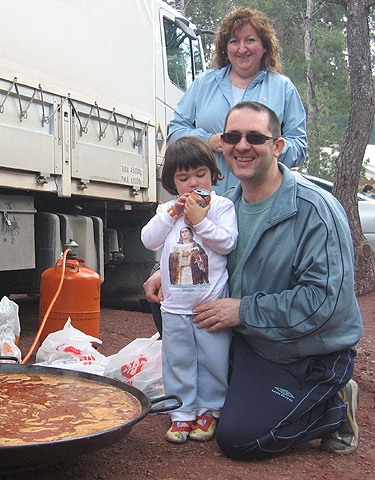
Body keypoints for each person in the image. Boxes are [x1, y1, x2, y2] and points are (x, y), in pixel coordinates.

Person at [145, 101, 363, 459]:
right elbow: (203, 253)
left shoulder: (314, 210)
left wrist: (243, 310)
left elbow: (326, 303)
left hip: (304, 350)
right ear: (223, 146)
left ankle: (332, 406)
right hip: (252, 339)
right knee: (173, 305)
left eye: (255, 137)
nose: (242, 145)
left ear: (277, 147)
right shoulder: (224, 203)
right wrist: (160, 274)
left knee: (241, 438)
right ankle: (206, 401)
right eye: (233, 137)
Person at [141, 136, 238, 444]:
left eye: (200, 175)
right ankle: (182, 413)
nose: (193, 183)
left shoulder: (222, 206)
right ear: (172, 181)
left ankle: (210, 410)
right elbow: (149, 240)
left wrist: (200, 221)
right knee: (178, 360)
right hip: (174, 307)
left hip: (210, 306)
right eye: (184, 178)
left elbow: (227, 242)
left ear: (213, 174)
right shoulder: (168, 211)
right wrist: (172, 214)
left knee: (213, 361)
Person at [167, 7, 307, 194]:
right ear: (225, 48)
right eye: (234, 41)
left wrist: (263, 146)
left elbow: (299, 146)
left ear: (265, 46)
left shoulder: (283, 88)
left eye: (250, 40)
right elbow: (174, 133)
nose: (242, 49)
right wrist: (207, 140)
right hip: (208, 202)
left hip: (262, 199)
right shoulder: (204, 83)